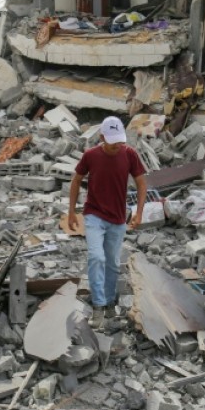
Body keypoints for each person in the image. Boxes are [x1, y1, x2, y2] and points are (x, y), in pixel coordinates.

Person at [68, 116, 147, 328]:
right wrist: (70, 212)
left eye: (119, 141)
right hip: (94, 215)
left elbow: (141, 183)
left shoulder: (129, 154)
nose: (116, 146)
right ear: (102, 137)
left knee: (112, 262)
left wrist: (139, 212)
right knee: (96, 257)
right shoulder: (90, 155)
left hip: (118, 218)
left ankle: (110, 301)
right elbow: (76, 181)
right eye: (112, 142)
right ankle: (98, 305)